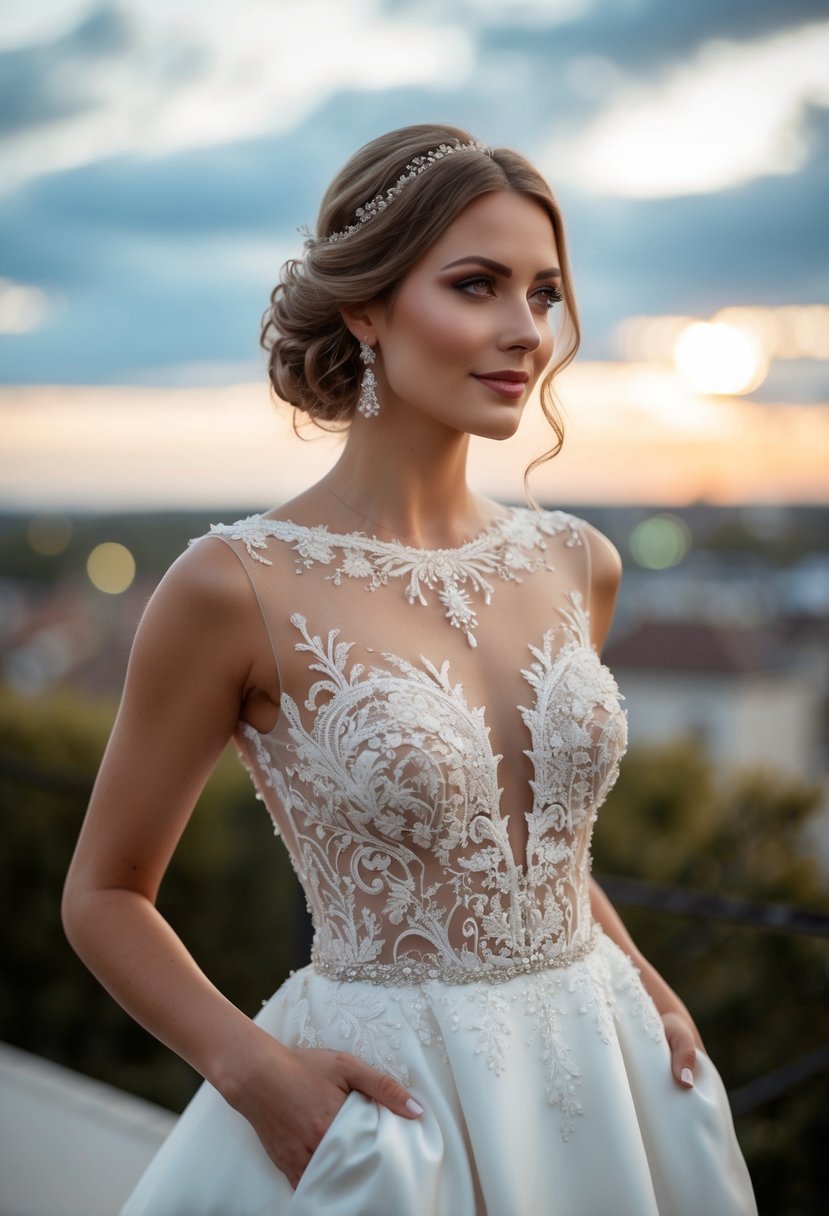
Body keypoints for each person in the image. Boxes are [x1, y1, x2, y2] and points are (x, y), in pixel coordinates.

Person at [62, 123, 757, 1215]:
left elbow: (532, 857)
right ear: (365, 306)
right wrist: (258, 1080)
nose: (524, 330)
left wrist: (654, 991)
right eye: (477, 285)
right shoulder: (233, 583)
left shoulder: (579, 562)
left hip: (614, 1073)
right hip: (396, 1116)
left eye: (544, 294)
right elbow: (103, 895)